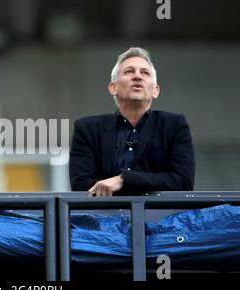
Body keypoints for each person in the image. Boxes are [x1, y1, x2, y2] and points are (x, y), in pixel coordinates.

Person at [69, 47, 195, 196]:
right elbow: (81, 186)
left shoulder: (174, 125)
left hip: (159, 217)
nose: (137, 76)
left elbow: (183, 182)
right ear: (113, 87)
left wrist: (124, 179)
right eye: (129, 71)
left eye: (145, 73)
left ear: (155, 90)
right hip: (103, 216)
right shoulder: (87, 129)